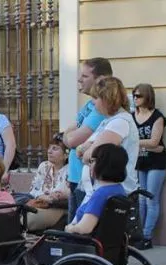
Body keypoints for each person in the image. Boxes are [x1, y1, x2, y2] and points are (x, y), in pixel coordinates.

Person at [62, 57, 113, 221]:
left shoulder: (101, 108)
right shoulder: (90, 105)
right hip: (77, 177)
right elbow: (70, 134)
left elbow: (71, 140)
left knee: (79, 233)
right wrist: (69, 134)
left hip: (89, 182)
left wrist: (67, 135)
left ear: (100, 79)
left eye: (84, 76)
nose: (79, 79)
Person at [76, 76, 139, 199]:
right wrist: (86, 148)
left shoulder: (119, 122)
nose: (93, 103)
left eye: (96, 98)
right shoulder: (110, 121)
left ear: (106, 99)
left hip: (111, 194)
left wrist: (87, 149)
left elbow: (90, 155)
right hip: (100, 191)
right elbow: (83, 150)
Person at [132, 83, 166, 250]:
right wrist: (148, 145)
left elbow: (155, 141)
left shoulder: (157, 117)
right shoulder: (132, 116)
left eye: (138, 96)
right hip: (141, 162)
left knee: (151, 199)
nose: (135, 98)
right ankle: (139, 235)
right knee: (141, 199)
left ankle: (147, 237)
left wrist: (134, 143)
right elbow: (153, 144)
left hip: (156, 163)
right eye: (134, 95)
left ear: (148, 97)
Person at [65, 144, 128, 235]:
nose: (89, 165)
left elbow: (84, 228)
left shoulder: (101, 194)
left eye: (92, 161)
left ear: (103, 164)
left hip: (85, 244)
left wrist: (70, 228)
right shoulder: (119, 190)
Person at [22, 134, 70, 232]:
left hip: (57, 208)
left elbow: (64, 195)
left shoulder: (70, 171)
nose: (49, 151)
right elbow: (33, 191)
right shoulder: (44, 166)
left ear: (66, 155)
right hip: (39, 204)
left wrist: (50, 198)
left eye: (55, 149)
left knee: (28, 219)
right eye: (49, 148)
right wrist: (42, 196)